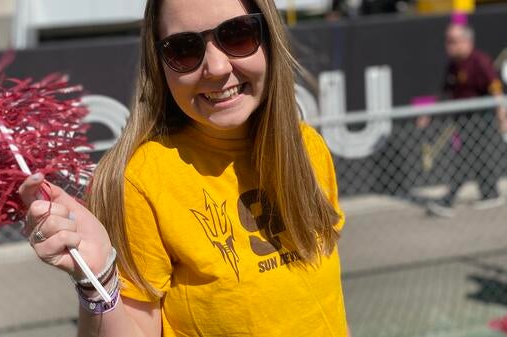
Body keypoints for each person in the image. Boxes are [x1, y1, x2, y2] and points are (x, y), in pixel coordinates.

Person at [19, 0, 349, 336]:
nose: (217, 67)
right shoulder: (141, 181)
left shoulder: (307, 146)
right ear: (159, 63)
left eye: (237, 34)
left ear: (269, 36)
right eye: (184, 48)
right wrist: (98, 281)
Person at [423, 22, 507, 218]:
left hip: (480, 118)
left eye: (453, 41)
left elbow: (495, 89)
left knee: (467, 158)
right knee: (477, 158)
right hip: (463, 119)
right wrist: (428, 113)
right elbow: (445, 90)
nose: (448, 46)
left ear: (466, 41)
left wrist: (502, 116)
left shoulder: (480, 61)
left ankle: (449, 199)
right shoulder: (454, 65)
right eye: (447, 41)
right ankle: (490, 194)